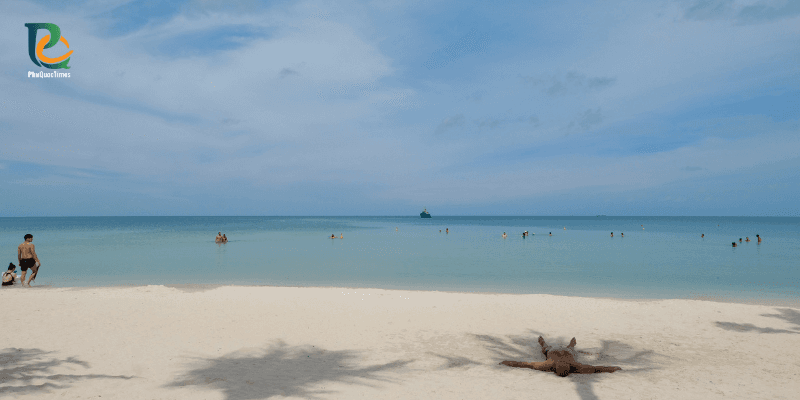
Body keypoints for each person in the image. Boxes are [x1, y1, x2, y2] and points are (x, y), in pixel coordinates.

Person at [501, 336, 621, 377]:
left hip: (551, 350)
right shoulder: (575, 366)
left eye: (560, 365)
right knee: (571, 347)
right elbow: (595, 369)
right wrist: (611, 369)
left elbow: (526, 365)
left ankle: (541, 341)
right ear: (568, 367)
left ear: (555, 367)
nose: (562, 363)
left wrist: (509, 362)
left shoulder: (548, 364)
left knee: (544, 346)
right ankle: (572, 342)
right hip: (568, 350)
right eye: (564, 365)